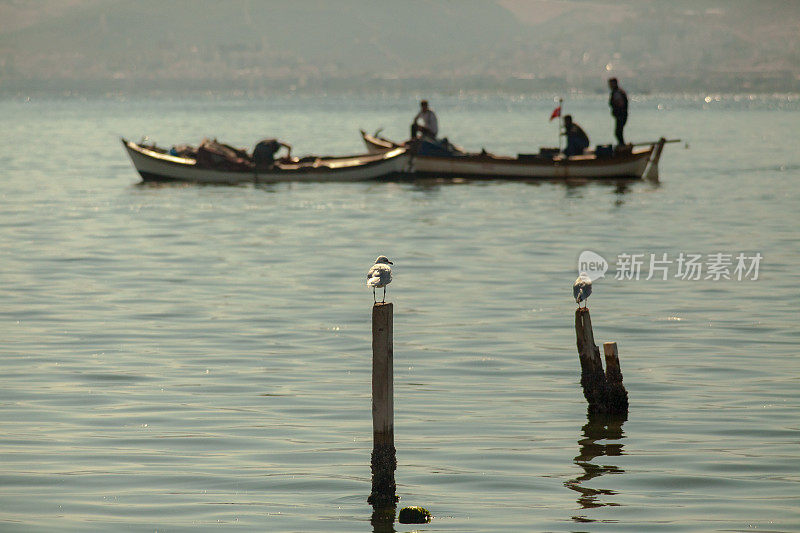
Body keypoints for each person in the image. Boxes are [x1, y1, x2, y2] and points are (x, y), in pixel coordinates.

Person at [608, 77, 628, 146]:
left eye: (611, 84)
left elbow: (621, 104)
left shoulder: (617, 93)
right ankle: (621, 145)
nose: (609, 86)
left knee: (618, 132)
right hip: (620, 116)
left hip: (621, 116)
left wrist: (618, 112)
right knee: (618, 132)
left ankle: (622, 146)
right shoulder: (617, 92)